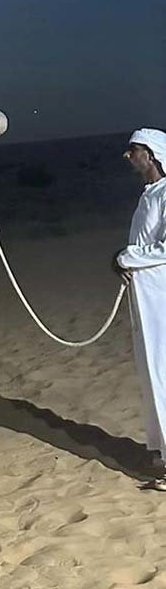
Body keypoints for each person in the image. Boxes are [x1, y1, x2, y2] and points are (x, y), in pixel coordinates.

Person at [115, 128, 166, 487]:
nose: (128, 156)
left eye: (133, 150)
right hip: (145, 295)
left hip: (161, 295)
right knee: (152, 370)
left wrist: (127, 257)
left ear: (151, 154)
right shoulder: (149, 195)